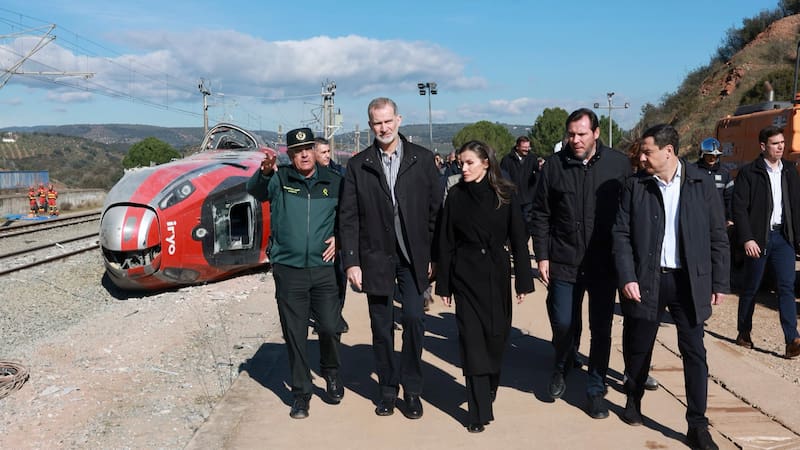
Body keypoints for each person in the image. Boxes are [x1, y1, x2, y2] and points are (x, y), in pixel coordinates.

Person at [613, 124, 729, 450]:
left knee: (695, 352)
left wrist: (720, 281)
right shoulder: (636, 186)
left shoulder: (701, 184)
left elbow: (717, 236)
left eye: (647, 151)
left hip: (688, 282)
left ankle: (697, 425)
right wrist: (627, 276)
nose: (642, 157)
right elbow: (620, 235)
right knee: (639, 346)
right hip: (648, 279)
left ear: (669, 150)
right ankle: (633, 399)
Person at [339, 97, 442, 419]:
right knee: (381, 327)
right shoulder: (359, 165)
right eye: (377, 123)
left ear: (399, 120)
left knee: (413, 318)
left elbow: (435, 211)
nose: (383, 128)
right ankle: (387, 389)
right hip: (375, 257)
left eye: (387, 121)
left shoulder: (422, 160)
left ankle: (412, 389)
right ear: (371, 125)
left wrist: (434, 255)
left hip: (414, 258)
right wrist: (352, 261)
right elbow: (348, 216)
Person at [530, 108, 631, 419]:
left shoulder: (618, 164)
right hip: (564, 258)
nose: (575, 140)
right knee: (563, 322)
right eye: (571, 134)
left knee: (601, 329)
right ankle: (562, 363)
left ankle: (595, 389)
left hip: (603, 263)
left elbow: (629, 213)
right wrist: (542, 254)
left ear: (596, 133)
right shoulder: (554, 166)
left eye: (581, 134)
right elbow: (541, 213)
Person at [435, 140, 534, 433]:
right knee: (472, 342)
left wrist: (523, 282)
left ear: (485, 163)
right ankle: (478, 410)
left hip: (497, 273)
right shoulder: (454, 196)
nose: (463, 168)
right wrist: (444, 285)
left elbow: (518, 238)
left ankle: (490, 380)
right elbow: (446, 241)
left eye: (469, 163)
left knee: (497, 337)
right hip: (465, 274)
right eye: (461, 163)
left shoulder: (505, 194)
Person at [246, 127, 344, 419]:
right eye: (297, 150)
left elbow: (350, 218)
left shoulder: (334, 181)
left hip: (324, 269)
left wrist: (340, 237)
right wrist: (264, 173)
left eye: (308, 148)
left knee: (329, 326)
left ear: (315, 150)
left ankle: (331, 370)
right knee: (295, 333)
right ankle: (301, 393)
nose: (303, 154)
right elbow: (255, 192)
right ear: (289, 154)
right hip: (289, 270)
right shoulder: (280, 180)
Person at [731, 126, 800, 358]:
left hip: (784, 238)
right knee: (752, 287)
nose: (780, 146)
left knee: (786, 287)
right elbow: (739, 209)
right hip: (759, 239)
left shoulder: (790, 170)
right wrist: (747, 238)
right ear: (763, 146)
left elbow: (796, 206)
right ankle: (744, 331)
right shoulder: (749, 173)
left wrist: (796, 238)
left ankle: (792, 339)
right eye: (775, 143)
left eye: (782, 142)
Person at [313, 137, 349, 334]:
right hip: (317, 237)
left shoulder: (340, 174)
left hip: (337, 236)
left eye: (328, 152)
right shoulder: (308, 176)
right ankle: (323, 318)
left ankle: (336, 314)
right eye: (323, 152)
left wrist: (341, 236)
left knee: (339, 278)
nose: (328, 155)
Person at [500, 136, 538, 231]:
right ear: (517, 147)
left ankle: (525, 240)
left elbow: (537, 175)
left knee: (527, 221)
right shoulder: (507, 160)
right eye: (524, 147)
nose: (527, 150)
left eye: (528, 147)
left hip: (528, 197)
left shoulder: (532, 158)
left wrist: (533, 191)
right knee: (513, 222)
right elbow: (503, 178)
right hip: (513, 197)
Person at [696, 137, 734, 225]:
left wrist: (730, 218)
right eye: (709, 155)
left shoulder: (724, 172)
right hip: (698, 220)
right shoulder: (693, 171)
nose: (712, 158)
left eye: (715, 156)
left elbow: (730, 198)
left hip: (720, 221)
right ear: (702, 155)